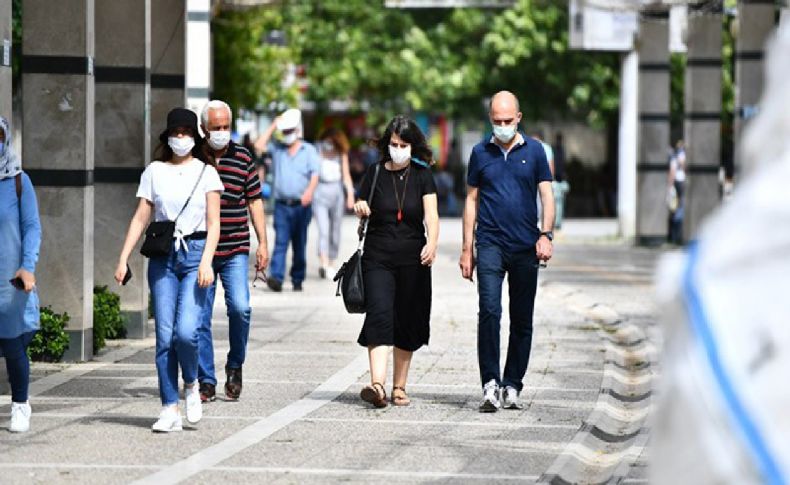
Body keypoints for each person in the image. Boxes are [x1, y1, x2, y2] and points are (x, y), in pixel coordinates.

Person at [115, 108, 224, 432]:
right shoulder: (154, 171)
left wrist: (206, 261)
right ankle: (168, 407)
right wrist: (123, 258)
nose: (180, 138)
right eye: (175, 133)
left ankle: (191, 382)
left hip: (195, 258)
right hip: (163, 260)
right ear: (167, 137)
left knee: (187, 333)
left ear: (195, 136)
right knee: (164, 337)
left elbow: (214, 223)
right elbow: (140, 217)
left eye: (186, 132)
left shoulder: (207, 173)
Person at [459, 91, 555, 412]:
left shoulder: (536, 151)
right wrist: (466, 249)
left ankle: (512, 383)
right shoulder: (479, 153)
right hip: (489, 244)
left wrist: (546, 235)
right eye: (497, 121)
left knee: (521, 318)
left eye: (507, 121)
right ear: (491, 120)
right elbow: (471, 201)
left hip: (525, 246)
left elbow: (547, 196)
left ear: (518, 118)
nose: (502, 126)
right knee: (489, 311)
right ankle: (490, 383)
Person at [353, 116, 439, 408]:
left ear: (412, 146)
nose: (397, 149)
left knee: (407, 318)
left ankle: (399, 386)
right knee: (379, 313)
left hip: (413, 258)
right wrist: (360, 207)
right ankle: (377, 385)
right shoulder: (375, 172)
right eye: (393, 144)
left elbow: (432, 215)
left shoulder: (423, 175)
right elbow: (360, 202)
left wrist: (433, 242)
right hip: (378, 256)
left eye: (403, 145)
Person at [196, 100, 269, 403]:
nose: (222, 133)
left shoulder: (242, 157)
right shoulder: (195, 159)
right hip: (202, 249)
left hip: (236, 247)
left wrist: (262, 242)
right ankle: (205, 380)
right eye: (216, 128)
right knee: (199, 317)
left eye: (226, 127)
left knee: (241, 307)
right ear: (204, 129)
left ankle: (235, 365)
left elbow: (254, 201)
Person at [0, 116, 41, 433]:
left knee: (13, 345)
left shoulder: (17, 181)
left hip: (9, 278)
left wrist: (28, 266)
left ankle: (20, 404)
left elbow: (31, 227)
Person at [254, 109, 320, 292]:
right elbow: (259, 145)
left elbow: (315, 174)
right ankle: (276, 277)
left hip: (301, 205)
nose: (287, 135)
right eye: (285, 131)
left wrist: (309, 192)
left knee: (299, 244)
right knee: (281, 242)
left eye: (290, 130)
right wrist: (275, 124)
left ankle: (298, 278)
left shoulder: (309, 150)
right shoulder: (277, 149)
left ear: (298, 130)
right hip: (282, 205)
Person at [313, 127, 355, 279]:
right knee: (323, 230)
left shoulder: (340, 153)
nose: (329, 145)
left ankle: (331, 261)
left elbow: (346, 175)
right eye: (327, 142)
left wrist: (350, 194)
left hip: (336, 191)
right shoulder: (317, 150)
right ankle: (323, 263)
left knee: (335, 231)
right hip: (320, 191)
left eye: (332, 142)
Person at [667, 139, 686, 245]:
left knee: (677, 207)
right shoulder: (682, 155)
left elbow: (672, 171)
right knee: (680, 206)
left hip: (677, 182)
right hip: (681, 181)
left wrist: (669, 185)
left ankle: (675, 235)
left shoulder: (675, 156)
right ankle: (676, 235)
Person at [552, 132, 570, 230]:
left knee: (559, 203)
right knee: (557, 202)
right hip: (556, 179)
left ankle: (558, 223)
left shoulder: (560, 150)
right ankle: (556, 223)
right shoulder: (556, 150)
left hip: (560, 179)